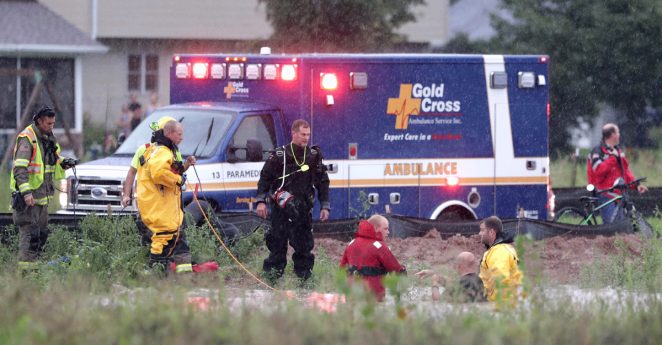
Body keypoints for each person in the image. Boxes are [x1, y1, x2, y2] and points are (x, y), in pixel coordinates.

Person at [256, 119, 330, 281]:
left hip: (303, 207)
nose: (306, 138)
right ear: (294, 133)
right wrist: (260, 201)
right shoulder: (280, 155)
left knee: (304, 246)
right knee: (278, 245)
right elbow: (265, 179)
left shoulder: (313, 156)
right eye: (303, 134)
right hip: (281, 208)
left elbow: (323, 182)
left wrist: (325, 204)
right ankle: (271, 278)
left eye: (308, 135)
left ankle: (305, 279)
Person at [10, 106, 74, 271]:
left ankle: (35, 272)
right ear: (39, 121)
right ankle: (26, 275)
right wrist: (26, 193)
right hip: (28, 199)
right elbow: (20, 169)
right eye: (48, 123)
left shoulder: (47, 137)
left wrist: (64, 162)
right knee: (29, 236)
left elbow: (52, 158)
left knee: (41, 235)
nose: (51, 126)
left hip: (42, 196)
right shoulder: (27, 139)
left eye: (53, 123)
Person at [136, 119, 193, 274]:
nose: (182, 138)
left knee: (165, 240)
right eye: (179, 134)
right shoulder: (163, 151)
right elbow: (159, 174)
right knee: (164, 239)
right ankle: (155, 276)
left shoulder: (157, 150)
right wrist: (179, 180)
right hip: (160, 208)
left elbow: (163, 170)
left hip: (157, 206)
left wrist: (182, 168)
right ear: (169, 134)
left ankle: (157, 276)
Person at [588, 123, 648, 223]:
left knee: (619, 226)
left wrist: (635, 185)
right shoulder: (598, 151)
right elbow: (598, 170)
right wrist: (613, 158)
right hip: (606, 194)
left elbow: (625, 171)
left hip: (619, 194)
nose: (619, 135)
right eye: (618, 132)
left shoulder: (618, 150)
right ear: (613, 135)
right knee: (611, 227)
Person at [339, 215, 407, 301]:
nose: (388, 232)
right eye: (385, 229)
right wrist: (403, 271)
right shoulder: (380, 247)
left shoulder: (351, 244)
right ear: (376, 228)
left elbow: (342, 269)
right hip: (373, 297)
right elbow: (396, 270)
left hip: (352, 296)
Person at [477, 216, 523, 302]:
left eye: (482, 230)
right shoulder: (498, 249)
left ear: (491, 232)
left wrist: (482, 297)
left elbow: (499, 280)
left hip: (500, 304)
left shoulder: (499, 252)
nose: (479, 234)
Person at [416, 252, 486, 303]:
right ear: (473, 264)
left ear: (458, 266)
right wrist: (432, 273)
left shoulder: (460, 284)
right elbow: (452, 283)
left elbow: (437, 301)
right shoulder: (478, 280)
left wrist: (434, 283)